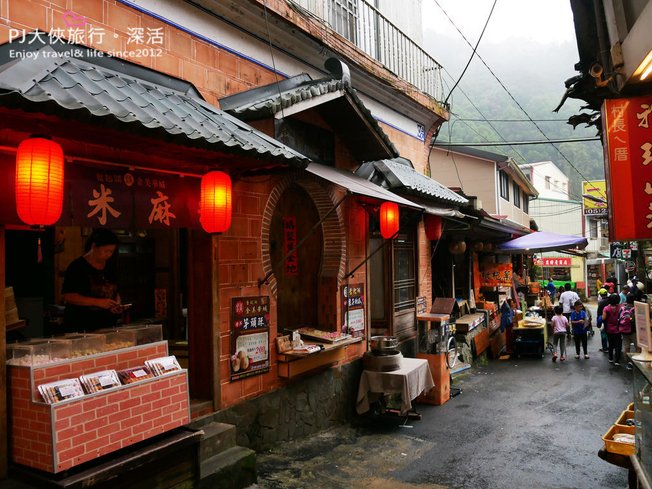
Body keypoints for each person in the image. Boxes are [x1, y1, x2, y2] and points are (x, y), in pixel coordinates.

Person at [62, 229, 125, 333]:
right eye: (106, 251)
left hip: (107, 324)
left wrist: (116, 303)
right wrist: (97, 302)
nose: (108, 255)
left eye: (111, 251)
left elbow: (116, 290)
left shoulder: (111, 265)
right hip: (82, 326)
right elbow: (68, 296)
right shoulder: (77, 267)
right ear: (94, 246)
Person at [602, 294, 623, 366]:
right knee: (618, 345)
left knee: (610, 344)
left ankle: (610, 358)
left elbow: (603, 318)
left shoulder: (606, 308)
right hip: (618, 329)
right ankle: (617, 360)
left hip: (609, 329)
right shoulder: (621, 307)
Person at [596, 288, 610, 352]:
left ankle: (604, 348)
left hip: (603, 319)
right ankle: (610, 347)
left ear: (601, 295)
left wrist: (598, 321)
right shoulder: (611, 300)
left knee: (603, 334)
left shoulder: (601, 302)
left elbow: (599, 313)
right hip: (611, 320)